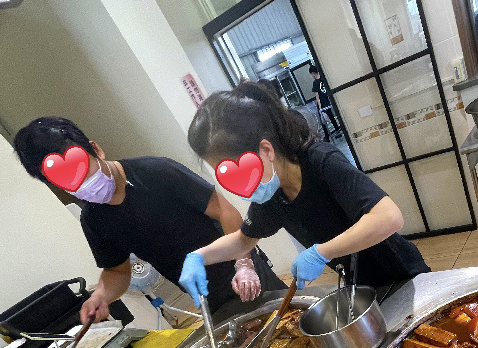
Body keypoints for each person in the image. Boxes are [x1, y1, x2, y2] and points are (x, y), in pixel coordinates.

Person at [13, 117, 286, 323]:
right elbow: (118, 272)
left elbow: (226, 212)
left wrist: (244, 264)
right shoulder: (94, 220)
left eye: (83, 170)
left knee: (289, 321)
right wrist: (101, 296)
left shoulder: (157, 172)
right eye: (66, 182)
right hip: (205, 297)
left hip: (245, 272)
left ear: (96, 149)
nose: (81, 185)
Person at [179, 82, 429, 299]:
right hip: (361, 286)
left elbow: (388, 217)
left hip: (402, 275)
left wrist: (321, 253)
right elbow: (244, 239)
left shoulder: (320, 161)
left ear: (266, 150)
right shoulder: (273, 195)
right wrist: (199, 257)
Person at [309, 65, 342, 142]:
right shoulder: (323, 79)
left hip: (322, 103)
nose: (312, 76)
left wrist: (320, 107)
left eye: (311, 74)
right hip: (327, 101)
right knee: (331, 117)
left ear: (313, 73)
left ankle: (327, 137)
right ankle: (337, 130)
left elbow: (317, 96)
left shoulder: (315, 83)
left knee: (323, 121)